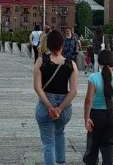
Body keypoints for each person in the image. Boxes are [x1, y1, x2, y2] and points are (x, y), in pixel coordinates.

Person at [33, 29, 79, 165]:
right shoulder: (71, 64)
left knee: (48, 143)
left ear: (48, 44)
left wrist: (50, 107)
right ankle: (61, 162)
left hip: (45, 105)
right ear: (62, 44)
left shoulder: (41, 61)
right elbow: (73, 91)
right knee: (59, 132)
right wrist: (59, 109)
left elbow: (37, 88)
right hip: (64, 109)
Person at [83, 49, 113, 165]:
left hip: (96, 115)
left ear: (99, 62)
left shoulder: (93, 77)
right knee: (110, 145)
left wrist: (86, 118)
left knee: (93, 143)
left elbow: (88, 99)